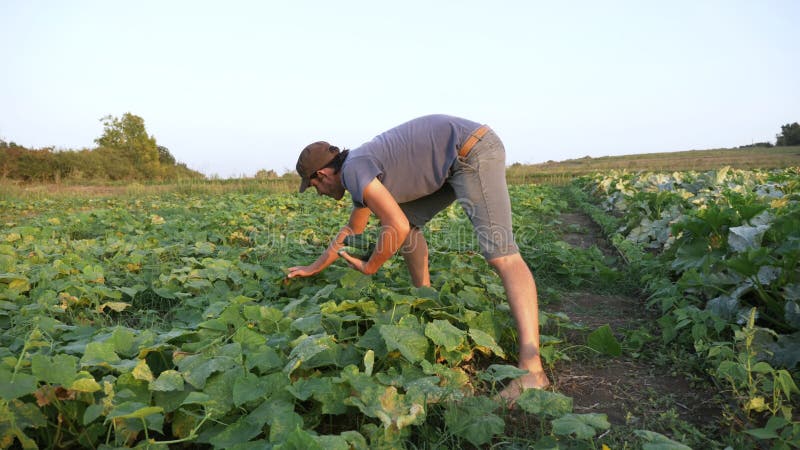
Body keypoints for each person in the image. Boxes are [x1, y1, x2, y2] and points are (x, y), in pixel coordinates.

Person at [286, 114, 549, 401]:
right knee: (410, 225)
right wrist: (313, 267)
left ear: (322, 175)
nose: (320, 194)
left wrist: (371, 265)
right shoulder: (357, 167)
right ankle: (427, 302)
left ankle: (532, 371)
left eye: (314, 188)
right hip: (453, 158)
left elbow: (393, 226)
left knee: (502, 256)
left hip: (472, 150)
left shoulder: (354, 170)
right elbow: (353, 229)